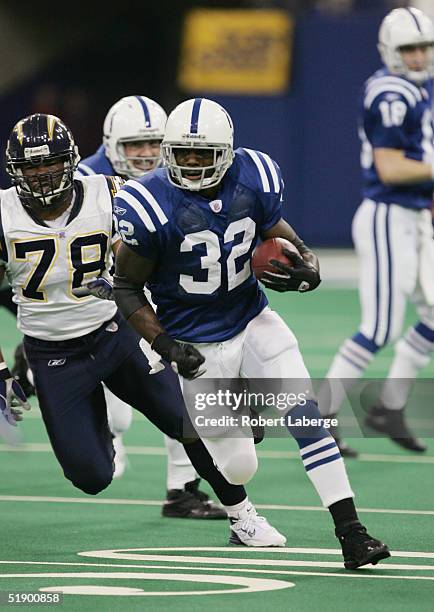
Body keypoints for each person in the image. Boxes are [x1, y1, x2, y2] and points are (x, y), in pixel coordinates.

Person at [109, 96, 390, 569]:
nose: (193, 163)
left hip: (252, 318)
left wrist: (307, 262)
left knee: (307, 419)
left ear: (228, 152)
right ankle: (246, 421)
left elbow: (281, 233)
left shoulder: (254, 177)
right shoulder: (148, 203)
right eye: (183, 153)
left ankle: (352, 533)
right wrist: (166, 345)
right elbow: (126, 288)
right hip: (196, 343)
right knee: (240, 466)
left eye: (204, 154)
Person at [0, 112, 285, 547]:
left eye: (51, 162)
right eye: (32, 166)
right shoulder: (3, 213)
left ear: (72, 160)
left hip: (115, 334)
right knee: (92, 476)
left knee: (186, 422)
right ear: (16, 171)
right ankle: (96, 422)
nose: (43, 174)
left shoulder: (110, 193)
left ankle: (243, 517)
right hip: (53, 353)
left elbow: (150, 262)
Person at [76, 94, 225, 518]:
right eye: (133, 146)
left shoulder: (180, 173)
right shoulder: (84, 182)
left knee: (185, 380)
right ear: (111, 145)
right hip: (93, 305)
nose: (145, 154)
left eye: (154, 144)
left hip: (148, 293)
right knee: (123, 414)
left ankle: (183, 489)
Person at [318, 6, 434, 455]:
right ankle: (323, 414)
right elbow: (389, 168)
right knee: (380, 326)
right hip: (389, 215)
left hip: (413, 216)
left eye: (424, 47)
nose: (420, 56)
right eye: (410, 48)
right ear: (390, 51)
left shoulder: (413, 89)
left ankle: (389, 406)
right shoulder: (391, 93)